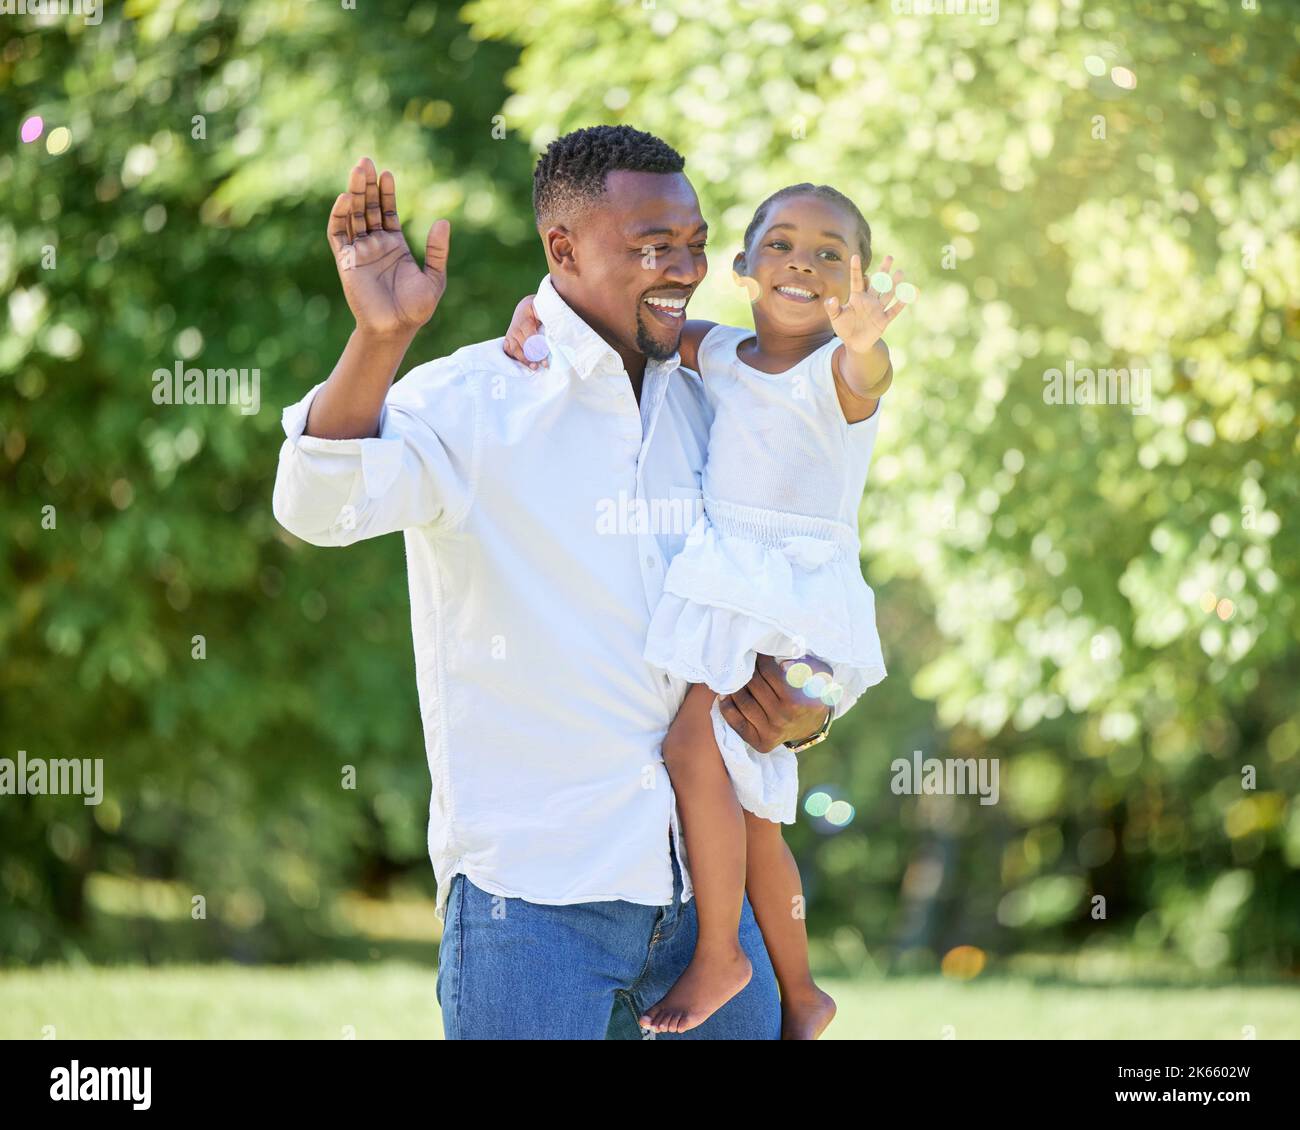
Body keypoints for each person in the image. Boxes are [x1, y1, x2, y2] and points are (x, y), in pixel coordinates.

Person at [271, 125, 834, 1039]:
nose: (684, 269)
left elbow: (798, 575)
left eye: (693, 244)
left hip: (711, 904)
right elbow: (316, 506)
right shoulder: (471, 403)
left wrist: (807, 705)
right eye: (652, 247)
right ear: (561, 249)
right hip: (531, 910)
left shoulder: (720, 399)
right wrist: (381, 339)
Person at [502, 184, 912, 1036]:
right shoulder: (719, 354)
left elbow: (866, 374)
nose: (803, 262)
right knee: (751, 802)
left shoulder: (832, 374)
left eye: (830, 255)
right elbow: (616, 324)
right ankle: (801, 992)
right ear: (742, 265)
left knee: (694, 748)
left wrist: (866, 343)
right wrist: (536, 314)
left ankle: (721, 952)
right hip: (741, 588)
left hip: (786, 596)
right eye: (783, 245)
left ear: (855, 282)